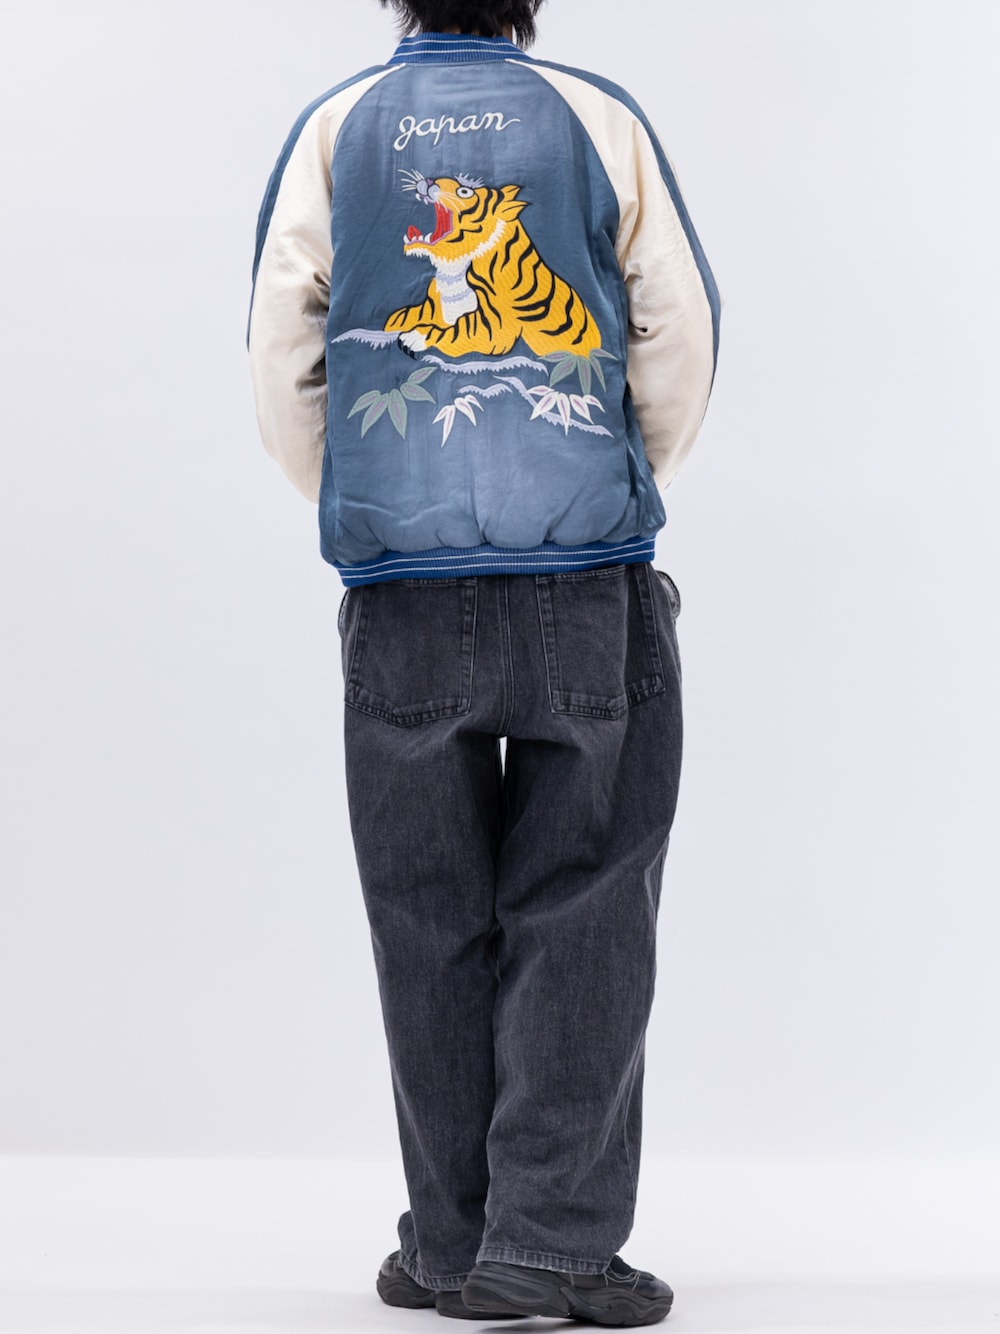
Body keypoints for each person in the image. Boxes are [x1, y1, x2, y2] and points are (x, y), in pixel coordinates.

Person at [247, 0, 722, 1323]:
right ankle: (553, 1244)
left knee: (426, 915)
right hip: (583, 580)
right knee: (588, 900)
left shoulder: (337, 125)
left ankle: (455, 1247)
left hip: (400, 591)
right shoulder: (599, 117)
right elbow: (677, 328)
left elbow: (283, 346)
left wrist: (365, 499)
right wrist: (618, 479)